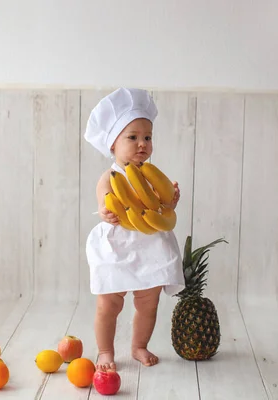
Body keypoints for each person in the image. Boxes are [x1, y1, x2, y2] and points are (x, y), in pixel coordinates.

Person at [84, 88, 185, 371]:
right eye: (133, 137)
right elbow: (105, 201)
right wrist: (106, 211)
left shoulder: (152, 177)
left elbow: (162, 208)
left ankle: (139, 346)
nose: (142, 144)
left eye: (147, 137)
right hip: (117, 244)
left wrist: (171, 200)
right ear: (112, 144)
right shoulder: (111, 177)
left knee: (148, 302)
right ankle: (105, 351)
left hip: (150, 242)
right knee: (109, 304)